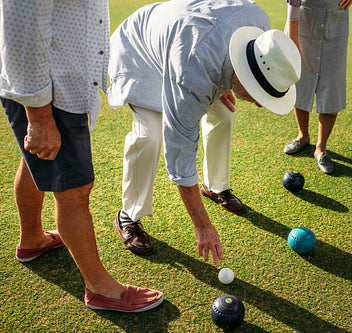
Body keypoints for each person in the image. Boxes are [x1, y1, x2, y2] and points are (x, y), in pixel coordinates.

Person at [0, 0, 163, 312]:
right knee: (74, 189)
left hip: (59, 87)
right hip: (50, 93)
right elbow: (23, 27)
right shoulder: (44, 104)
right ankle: (100, 289)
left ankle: (32, 239)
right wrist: (39, 117)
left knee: (34, 161)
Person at [108, 0, 301, 259]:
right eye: (257, 94)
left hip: (186, 46)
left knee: (224, 113)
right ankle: (128, 215)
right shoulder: (192, 74)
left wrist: (223, 77)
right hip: (139, 53)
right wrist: (202, 226)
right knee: (150, 134)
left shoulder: (260, 26)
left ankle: (214, 185)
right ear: (243, 75)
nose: (257, 103)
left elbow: (219, 45)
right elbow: (179, 157)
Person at [284, 0, 352, 174]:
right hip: (304, 22)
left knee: (332, 86)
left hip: (336, 21)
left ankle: (321, 148)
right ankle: (303, 136)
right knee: (301, 81)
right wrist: (293, 39)